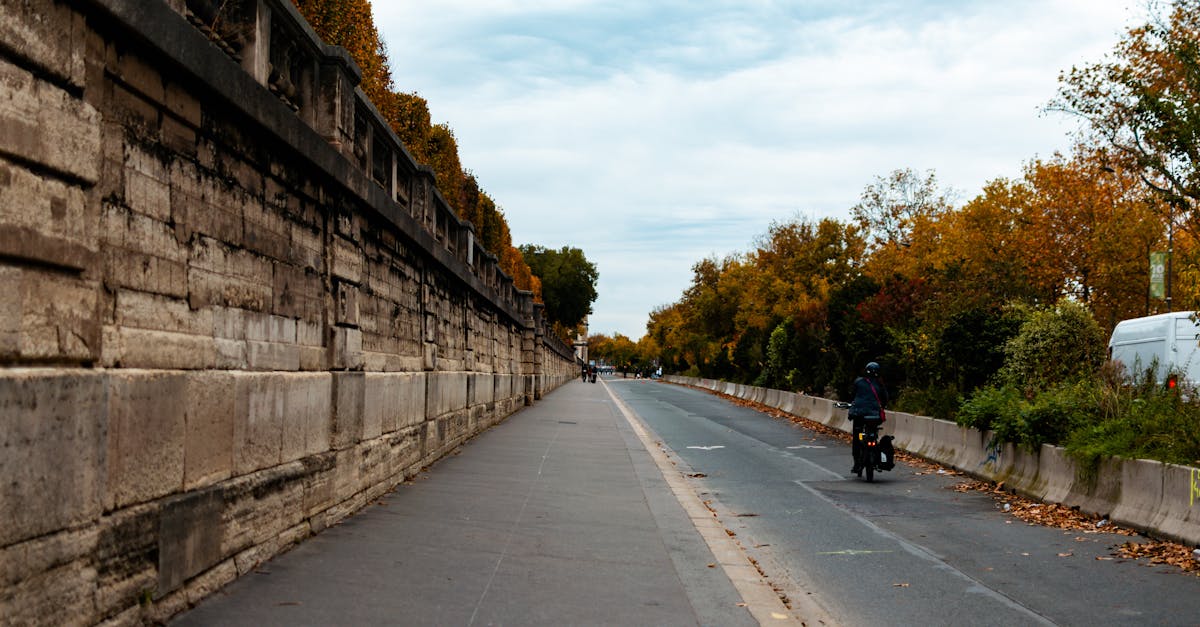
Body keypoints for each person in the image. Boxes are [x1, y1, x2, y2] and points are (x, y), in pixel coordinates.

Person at [848, 361, 888, 475]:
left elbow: (852, 396)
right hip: (874, 416)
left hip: (859, 415)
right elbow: (885, 398)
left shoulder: (858, 381)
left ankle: (856, 463)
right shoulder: (880, 384)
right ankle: (874, 446)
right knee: (873, 432)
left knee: (857, 437)